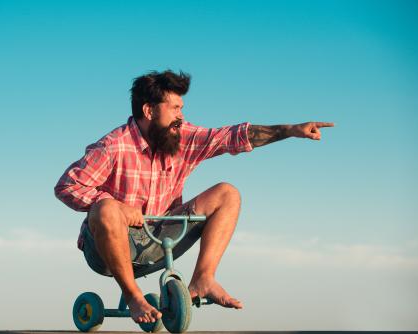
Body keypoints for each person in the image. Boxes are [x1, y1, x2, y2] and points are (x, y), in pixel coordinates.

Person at [54, 70, 334, 324]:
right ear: (149, 110)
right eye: (175, 108)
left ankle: (203, 279)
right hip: (108, 249)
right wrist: (116, 207)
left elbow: (231, 136)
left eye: (182, 108)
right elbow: (66, 186)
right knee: (105, 209)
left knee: (227, 194)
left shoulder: (183, 137)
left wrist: (291, 130)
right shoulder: (113, 146)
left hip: (158, 239)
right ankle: (133, 297)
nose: (181, 117)